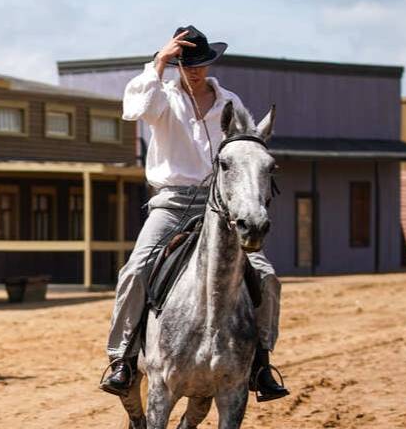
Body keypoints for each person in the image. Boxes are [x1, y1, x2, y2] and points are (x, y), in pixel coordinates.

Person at [99, 25, 289, 402]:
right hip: (171, 202)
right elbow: (132, 109)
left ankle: (261, 363)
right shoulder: (161, 97)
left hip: (221, 206)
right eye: (186, 64)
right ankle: (122, 358)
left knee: (266, 276)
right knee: (136, 269)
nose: (195, 71)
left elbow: (246, 149)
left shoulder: (230, 101)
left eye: (200, 63)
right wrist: (159, 62)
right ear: (176, 65)